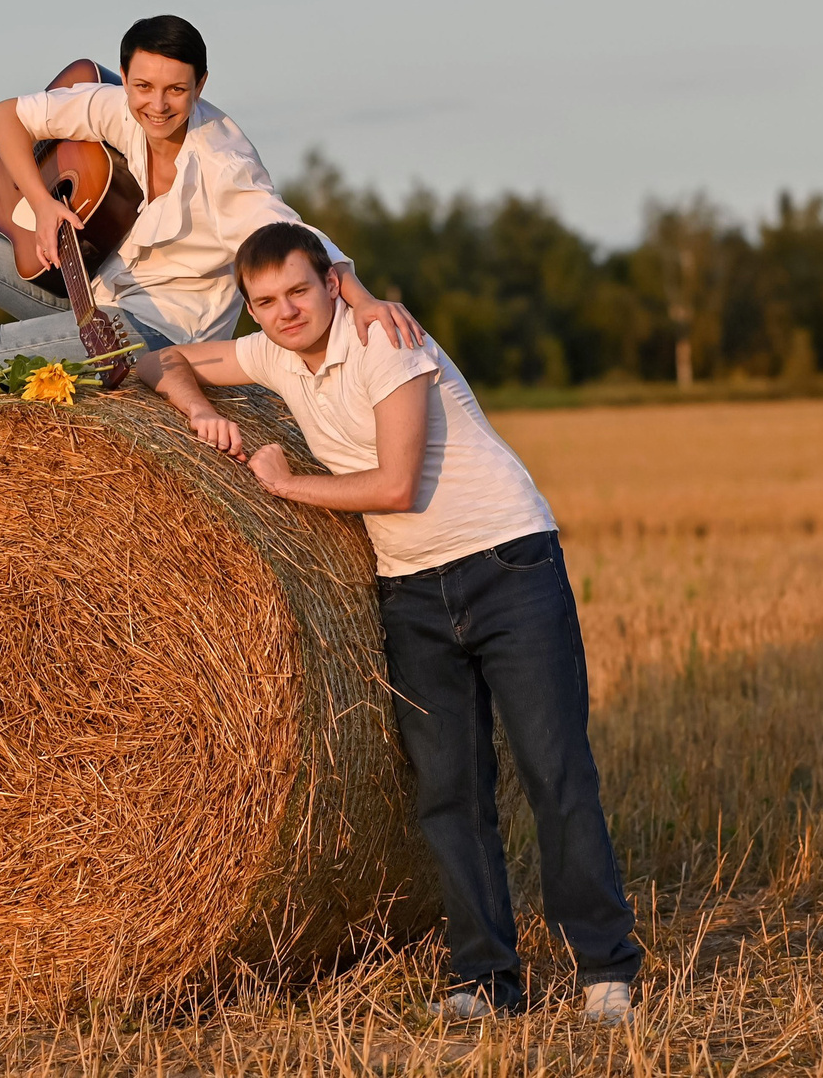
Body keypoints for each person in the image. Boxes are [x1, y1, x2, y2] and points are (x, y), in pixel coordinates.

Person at [136, 221, 643, 1025]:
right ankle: (484, 978)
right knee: (449, 790)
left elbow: (399, 483)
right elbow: (153, 359)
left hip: (505, 561)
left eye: (299, 290)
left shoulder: (383, 339)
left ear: (332, 283)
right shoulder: (269, 353)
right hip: (410, 588)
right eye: (264, 301)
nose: (284, 311)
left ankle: (606, 968)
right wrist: (198, 408)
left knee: (555, 771)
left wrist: (283, 484)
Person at [0, 14, 419, 442]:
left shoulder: (225, 164)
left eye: (175, 91)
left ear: (201, 85)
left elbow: (299, 238)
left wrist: (359, 297)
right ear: (126, 75)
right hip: (92, 297)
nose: (156, 105)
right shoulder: (119, 110)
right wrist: (42, 204)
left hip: (158, 332)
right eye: (143, 86)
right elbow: (5, 117)